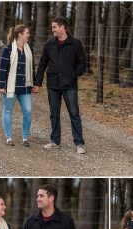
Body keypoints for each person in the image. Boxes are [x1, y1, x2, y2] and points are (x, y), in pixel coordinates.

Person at [33, 16, 86, 154]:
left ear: (62, 27)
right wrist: (37, 83)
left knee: (74, 114)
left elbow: (82, 63)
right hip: (53, 85)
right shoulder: (49, 44)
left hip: (70, 85)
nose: (52, 29)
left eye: (54, 27)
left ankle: (79, 143)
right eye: (52, 27)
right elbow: (42, 64)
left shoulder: (75, 44)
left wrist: (74, 74)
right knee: (54, 114)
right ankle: (55, 141)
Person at [0, 25, 36, 147]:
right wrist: (1, 85)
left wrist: (34, 84)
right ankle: (9, 137)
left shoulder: (29, 50)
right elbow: (2, 69)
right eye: (27, 33)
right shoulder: (8, 49)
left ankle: (25, 138)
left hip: (25, 87)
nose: (28, 35)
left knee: (28, 111)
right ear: (20, 34)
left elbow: (32, 69)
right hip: (10, 87)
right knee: (8, 111)